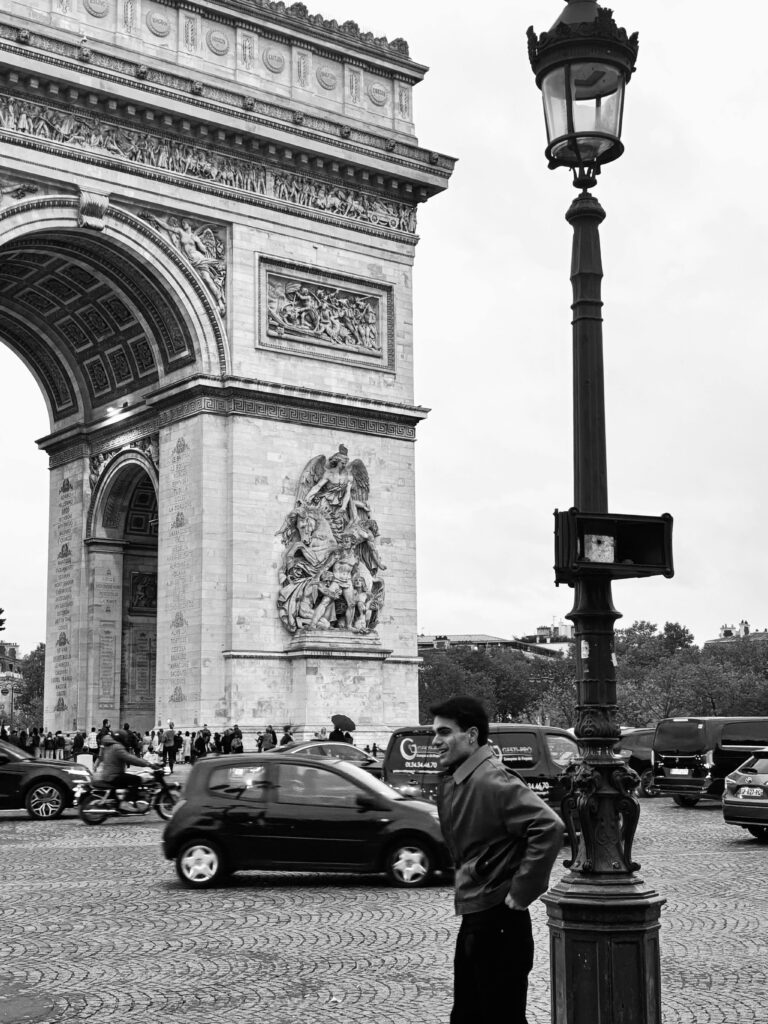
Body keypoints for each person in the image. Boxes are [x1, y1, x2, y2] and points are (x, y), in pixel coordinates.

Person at [430, 696, 563, 1024]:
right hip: (479, 914)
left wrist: (521, 891)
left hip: (498, 921)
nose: (435, 741)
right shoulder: (462, 778)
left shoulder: (492, 779)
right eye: (434, 733)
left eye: (445, 733)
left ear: (472, 735)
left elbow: (548, 826)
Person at [94, 730, 153, 805]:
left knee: (126, 781)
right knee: (136, 779)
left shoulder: (109, 745)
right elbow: (131, 759)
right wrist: (148, 764)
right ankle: (126, 803)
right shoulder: (117, 747)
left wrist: (95, 766)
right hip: (113, 775)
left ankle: (119, 803)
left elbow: (100, 756)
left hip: (108, 773)